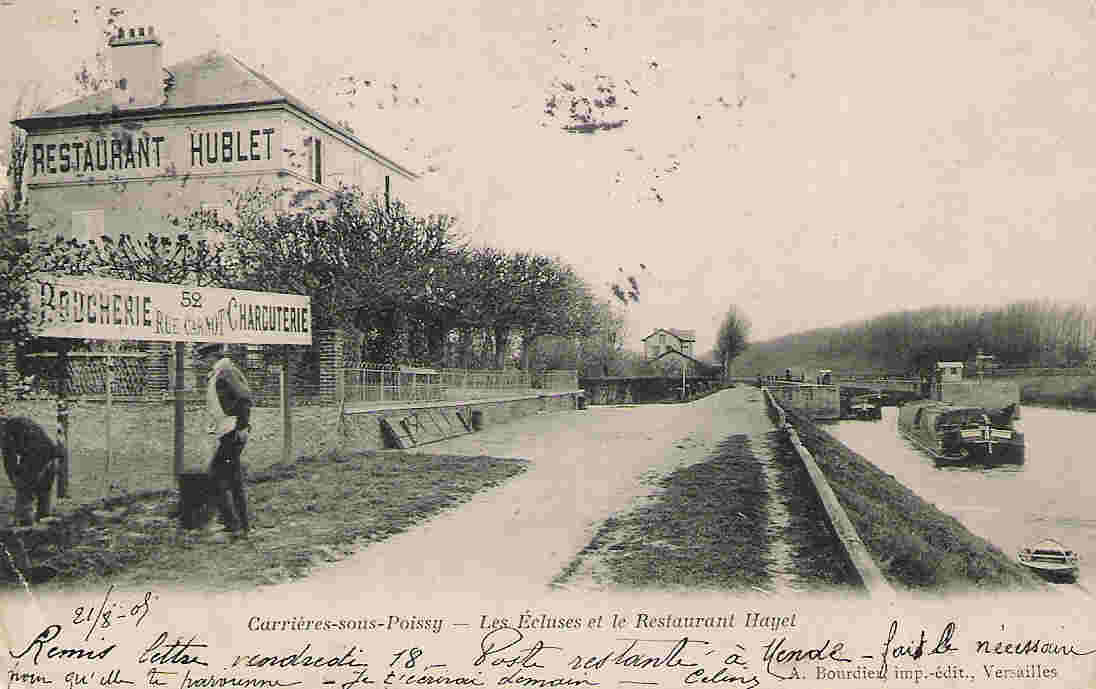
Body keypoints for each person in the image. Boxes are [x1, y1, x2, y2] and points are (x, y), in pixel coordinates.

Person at [195, 342, 253, 537]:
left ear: (213, 356)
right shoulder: (220, 372)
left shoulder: (225, 371)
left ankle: (233, 524)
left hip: (233, 431)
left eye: (205, 358)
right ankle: (241, 525)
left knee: (216, 477)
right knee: (232, 480)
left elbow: (244, 398)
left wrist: (243, 426)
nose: (203, 362)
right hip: (228, 430)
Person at [2, 416, 62, 526]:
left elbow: (9, 458)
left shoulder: (6, 430)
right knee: (44, 489)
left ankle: (25, 522)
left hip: (36, 455)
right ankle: (44, 518)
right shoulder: (22, 421)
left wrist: (14, 479)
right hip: (52, 453)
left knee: (25, 489)